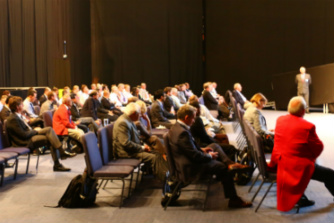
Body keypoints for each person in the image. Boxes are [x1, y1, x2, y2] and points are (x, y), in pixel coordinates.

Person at [168, 104, 252, 208]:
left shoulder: (176, 127)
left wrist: (203, 150)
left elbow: (188, 149)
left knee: (214, 146)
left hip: (187, 160)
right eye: (193, 117)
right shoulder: (182, 133)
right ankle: (233, 199)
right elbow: (195, 156)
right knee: (221, 167)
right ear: (186, 118)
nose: (194, 120)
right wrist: (209, 156)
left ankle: (230, 164)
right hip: (190, 167)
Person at [268, 96, 334, 212]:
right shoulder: (307, 126)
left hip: (281, 162)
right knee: (329, 174)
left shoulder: (280, 120)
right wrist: (309, 156)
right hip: (297, 167)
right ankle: (301, 198)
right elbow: (318, 147)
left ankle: (301, 198)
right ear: (303, 111)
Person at [6, 96, 76, 171]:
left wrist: (33, 129)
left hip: (29, 137)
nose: (23, 105)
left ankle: (58, 161)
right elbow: (23, 135)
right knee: (49, 131)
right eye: (21, 104)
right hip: (24, 142)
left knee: (50, 137)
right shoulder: (13, 119)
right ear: (17, 107)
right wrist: (35, 131)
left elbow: (25, 129)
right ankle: (60, 156)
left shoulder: (18, 116)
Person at [113, 103, 156, 171]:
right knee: (154, 157)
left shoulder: (128, 119)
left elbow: (136, 136)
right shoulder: (123, 122)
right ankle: (163, 179)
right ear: (134, 113)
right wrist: (142, 148)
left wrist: (143, 145)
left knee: (155, 151)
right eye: (139, 113)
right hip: (126, 153)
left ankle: (154, 174)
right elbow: (125, 143)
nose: (140, 116)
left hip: (131, 150)